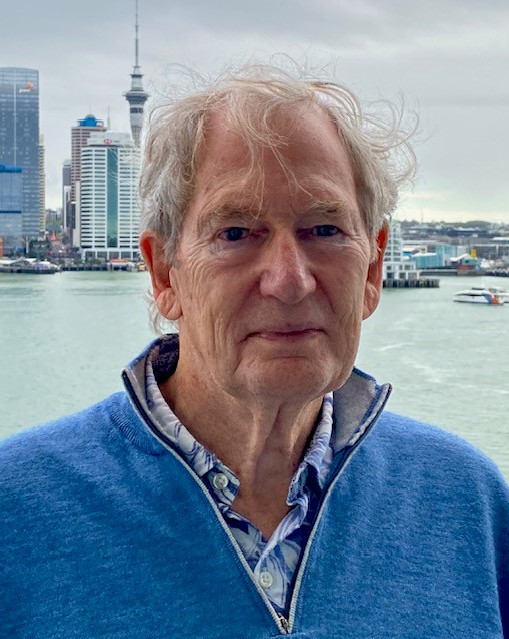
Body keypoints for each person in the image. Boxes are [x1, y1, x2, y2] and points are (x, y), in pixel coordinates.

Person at [1, 63, 508, 638]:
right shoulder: (16, 513)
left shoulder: (467, 501)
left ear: (372, 269)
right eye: (236, 233)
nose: (289, 281)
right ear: (164, 273)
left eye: (324, 230)